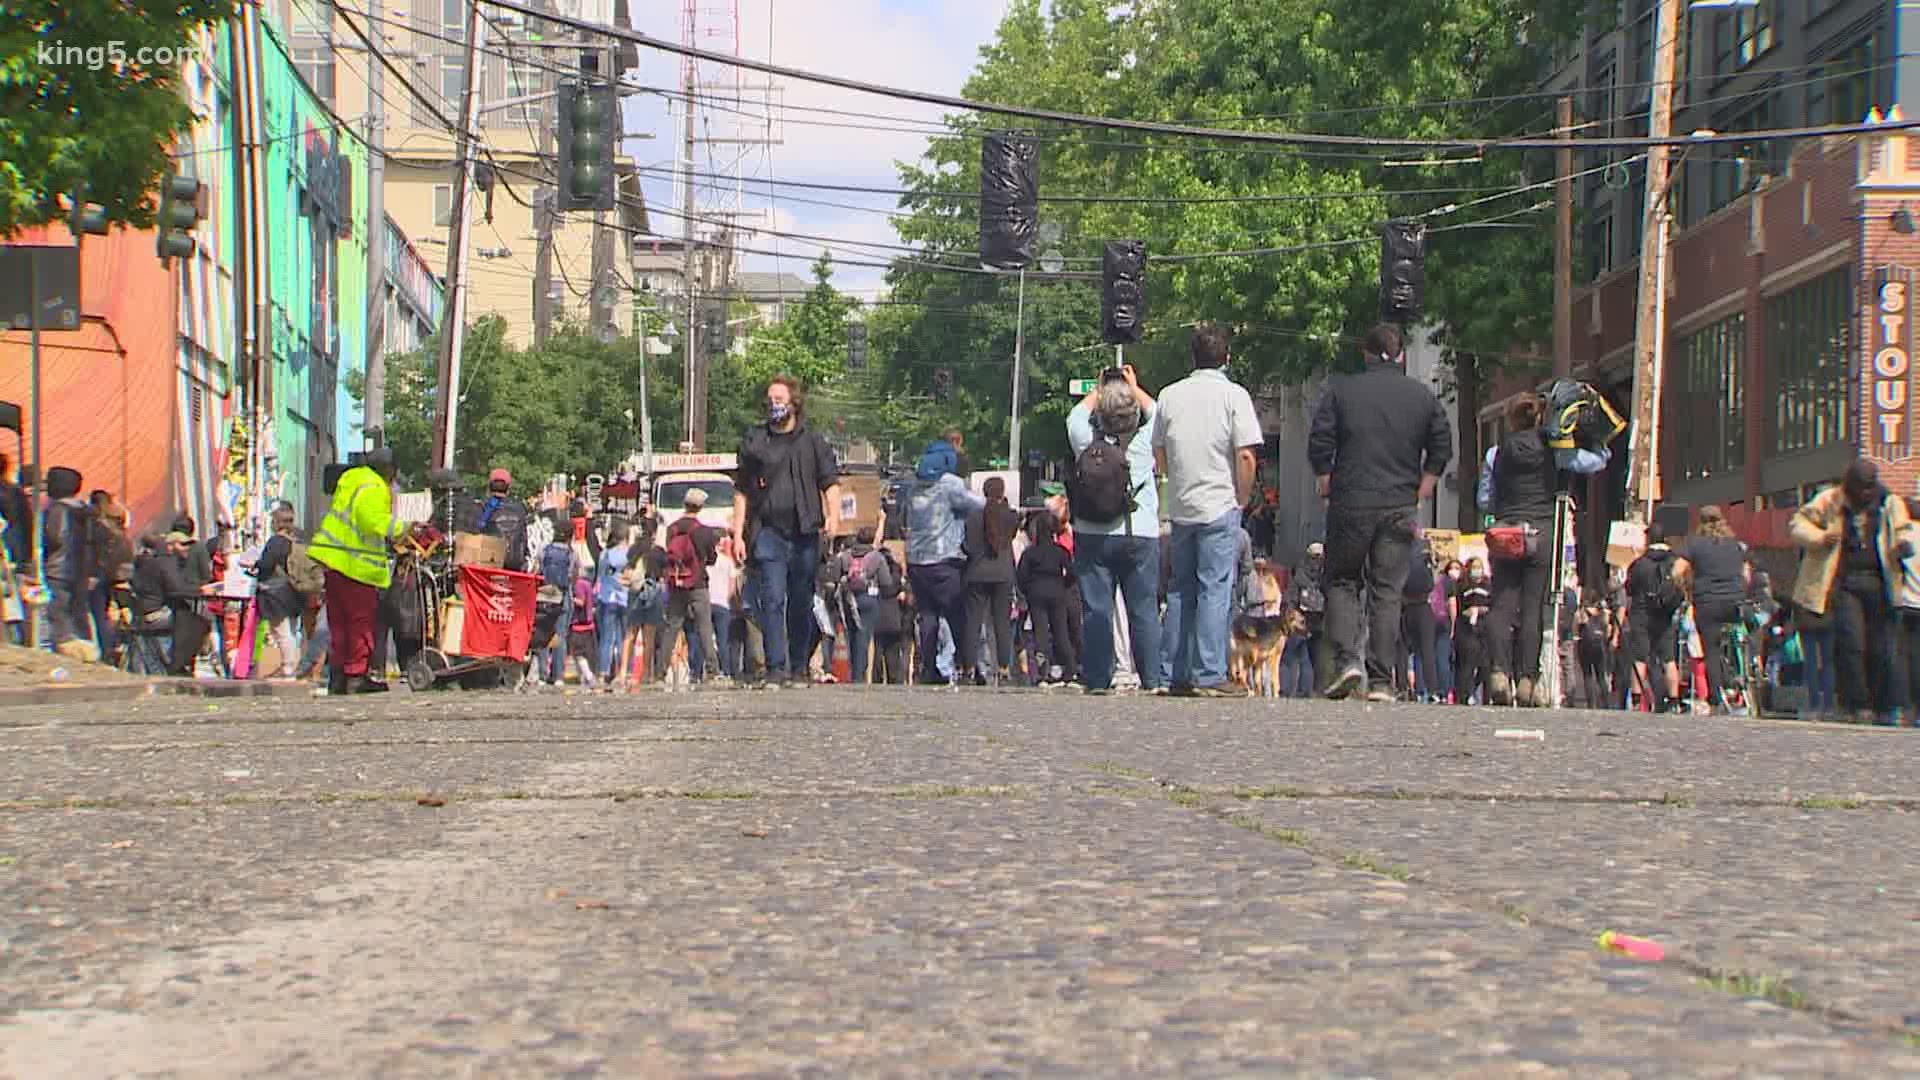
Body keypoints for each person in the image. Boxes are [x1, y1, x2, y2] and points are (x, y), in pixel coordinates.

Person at [1307, 323, 1453, 701]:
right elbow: (1442, 443)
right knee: (1387, 591)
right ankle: (1382, 679)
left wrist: (1325, 477)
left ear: (1365, 354)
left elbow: (1320, 438)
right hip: (1399, 504)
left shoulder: (1342, 391)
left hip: (1351, 501)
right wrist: (1425, 485)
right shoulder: (1421, 396)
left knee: (1342, 580)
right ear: (1402, 355)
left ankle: (1346, 661)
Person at [1477, 393, 1608, 707]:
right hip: (1542, 532)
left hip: (1507, 533)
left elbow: (1485, 500)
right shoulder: (1554, 451)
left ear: (1510, 419)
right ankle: (1527, 678)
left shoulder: (1496, 453)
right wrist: (1601, 449)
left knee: (1502, 605)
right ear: (1540, 418)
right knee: (1533, 608)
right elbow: (1591, 463)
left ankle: (1498, 670)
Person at [1154, 324, 1263, 697]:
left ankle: (1175, 670)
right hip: (1220, 503)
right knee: (1215, 588)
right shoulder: (1234, 396)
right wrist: (1242, 497)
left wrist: (1178, 481)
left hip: (1183, 505)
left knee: (1180, 589)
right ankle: (1209, 671)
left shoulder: (1170, 396)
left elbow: (1160, 453)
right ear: (1226, 359)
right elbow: (1246, 453)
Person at [731, 375, 843, 687]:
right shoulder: (756, 441)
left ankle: (798, 666)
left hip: (805, 533)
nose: (773, 405)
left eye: (779, 399)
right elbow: (741, 490)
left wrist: (833, 518)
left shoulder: (812, 441)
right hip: (769, 532)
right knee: (772, 598)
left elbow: (831, 483)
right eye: (770, 399)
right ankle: (775, 668)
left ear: (794, 403)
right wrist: (738, 533)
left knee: (800, 600)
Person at [1788, 459, 1914, 723]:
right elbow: (1797, 524)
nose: (1865, 494)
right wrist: (1819, 538)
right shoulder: (1832, 499)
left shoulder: (1888, 502)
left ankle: (1883, 705)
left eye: (1870, 487)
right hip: (1845, 581)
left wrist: (1902, 545)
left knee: (1881, 647)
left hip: (1880, 582)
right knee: (1851, 643)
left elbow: (1903, 529)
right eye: (1861, 488)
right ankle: (1856, 704)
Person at [1066, 367, 1163, 695]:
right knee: (1143, 608)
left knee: (1097, 609)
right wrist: (1133, 387)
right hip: (1139, 532)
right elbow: (1159, 412)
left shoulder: (1086, 442)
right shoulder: (1144, 443)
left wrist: (1099, 388)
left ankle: (1097, 678)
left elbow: (1076, 414)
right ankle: (1151, 678)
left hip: (1092, 532)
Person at [308, 447, 417, 694]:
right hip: (356, 567)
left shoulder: (351, 480)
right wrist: (404, 527)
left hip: (334, 560)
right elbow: (372, 520)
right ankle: (356, 674)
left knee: (339, 622)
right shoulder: (373, 486)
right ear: (389, 470)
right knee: (360, 623)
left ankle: (338, 675)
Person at [905, 440, 986, 685]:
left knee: (928, 614)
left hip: (917, 560)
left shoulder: (912, 486)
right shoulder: (949, 484)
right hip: (944, 559)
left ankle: (928, 668)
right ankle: (966, 666)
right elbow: (977, 504)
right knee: (956, 615)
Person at [1675, 505, 1752, 713]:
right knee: (1736, 640)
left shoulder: (1695, 544)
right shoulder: (1735, 545)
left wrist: (1687, 589)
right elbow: (1746, 574)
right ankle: (1740, 681)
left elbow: (1677, 571)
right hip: (1734, 601)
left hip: (1707, 601)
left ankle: (1716, 697)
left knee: (1711, 649)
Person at [656, 488, 724, 684]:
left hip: (676, 583)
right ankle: (712, 670)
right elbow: (711, 558)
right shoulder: (704, 531)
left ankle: (660, 672)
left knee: (672, 627)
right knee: (704, 627)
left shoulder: (672, 529)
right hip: (698, 583)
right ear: (701, 507)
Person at [963, 476, 1020, 683]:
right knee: (1001, 623)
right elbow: (1010, 534)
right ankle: (1004, 667)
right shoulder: (1011, 516)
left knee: (973, 623)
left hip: (976, 573)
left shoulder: (973, 517)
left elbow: (966, 546)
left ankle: (968, 668)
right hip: (1003, 574)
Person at [1626, 523, 1686, 713]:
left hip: (1642, 615)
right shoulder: (1673, 561)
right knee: (1669, 659)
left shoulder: (1640, 563)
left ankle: (1636, 701)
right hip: (1665, 615)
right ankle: (1674, 700)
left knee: (1640, 658)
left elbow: (1629, 589)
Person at [40, 466, 95, 657]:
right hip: (82, 570)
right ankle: (86, 649)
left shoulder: (57, 509)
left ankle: (65, 649)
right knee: (79, 611)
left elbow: (55, 537)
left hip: (59, 568)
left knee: (58, 611)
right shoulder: (87, 511)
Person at [1018, 510, 1077, 685]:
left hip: (1036, 593)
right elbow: (1073, 573)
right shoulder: (1060, 551)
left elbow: (1021, 576)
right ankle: (1070, 670)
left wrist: (1028, 591)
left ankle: (1042, 673)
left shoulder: (1030, 553)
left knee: (1041, 634)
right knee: (1061, 633)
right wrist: (1063, 585)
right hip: (1057, 592)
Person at [250, 503, 303, 679]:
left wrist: (254, 564)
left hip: (275, 592)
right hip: (294, 590)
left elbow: (266, 565)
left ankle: (288, 668)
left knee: (281, 632)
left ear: (276, 522)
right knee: (292, 631)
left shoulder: (275, 542)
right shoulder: (296, 540)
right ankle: (293, 665)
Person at [87, 490, 134, 663]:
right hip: (122, 573)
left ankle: (108, 649)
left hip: (103, 575)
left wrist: (93, 573)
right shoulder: (118, 520)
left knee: (100, 614)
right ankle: (120, 644)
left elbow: (96, 553)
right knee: (120, 611)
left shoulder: (97, 524)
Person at [1397, 533, 1438, 701]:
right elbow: (1432, 581)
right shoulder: (1424, 549)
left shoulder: (1397, 547)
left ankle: (1401, 687)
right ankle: (1433, 690)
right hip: (1422, 605)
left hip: (1403, 605)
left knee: (1401, 650)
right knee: (1427, 650)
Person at [1282, 542, 1326, 697]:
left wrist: (1290, 611)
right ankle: (1310, 690)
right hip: (1320, 618)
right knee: (1315, 659)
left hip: (1300, 619)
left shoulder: (1300, 572)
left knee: (1291, 656)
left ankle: (1285, 689)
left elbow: (1291, 596)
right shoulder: (1326, 574)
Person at [594, 519, 632, 685]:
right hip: (626, 599)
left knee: (607, 639)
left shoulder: (605, 554)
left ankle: (603, 673)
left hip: (607, 598)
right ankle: (625, 672)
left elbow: (600, 576)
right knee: (625, 638)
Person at [1452, 558, 1493, 705]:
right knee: (1466, 663)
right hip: (1466, 628)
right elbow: (1457, 606)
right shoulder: (1462, 585)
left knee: (1485, 665)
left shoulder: (1488, 585)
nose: (1477, 570)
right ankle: (1463, 695)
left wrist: (1483, 610)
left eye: (1479, 567)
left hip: (1484, 627)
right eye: (1474, 567)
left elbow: (1493, 605)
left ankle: (1485, 696)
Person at [475, 467, 530, 572]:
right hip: (515, 564)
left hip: (490, 563)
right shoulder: (520, 508)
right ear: (508, 487)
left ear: (490, 486)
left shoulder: (483, 506)